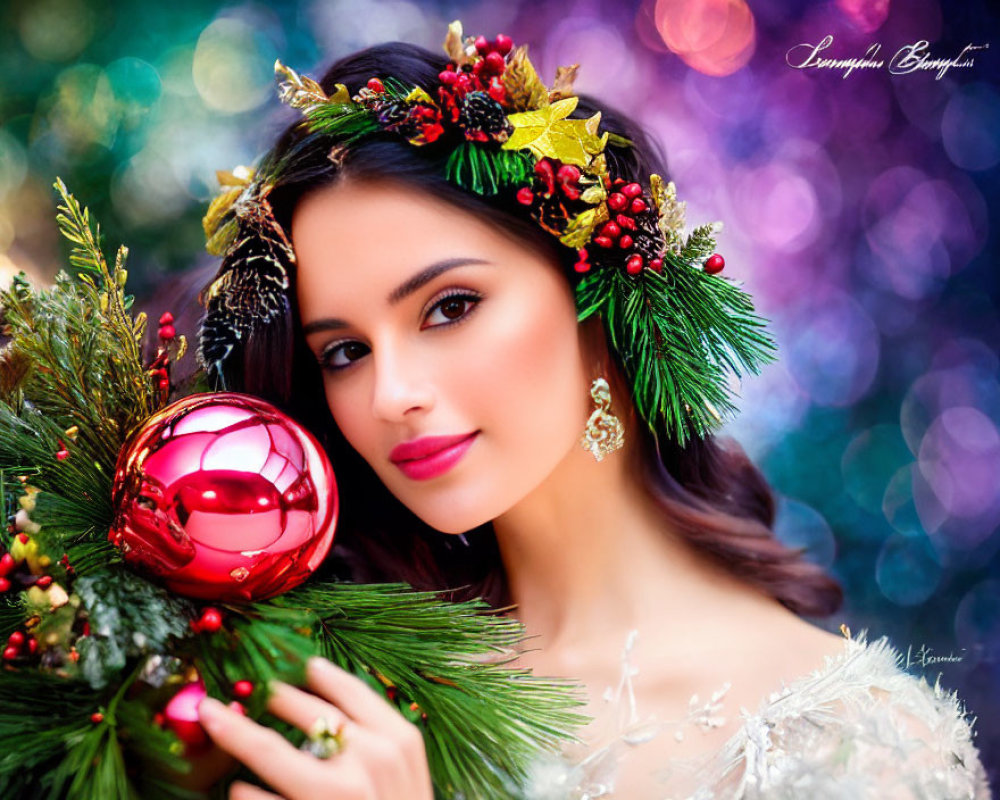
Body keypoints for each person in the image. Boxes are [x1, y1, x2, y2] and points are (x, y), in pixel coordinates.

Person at [189, 22, 991, 800]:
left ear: (597, 297)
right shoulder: (332, 686)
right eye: (344, 352)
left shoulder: (860, 746)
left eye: (450, 306)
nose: (390, 394)